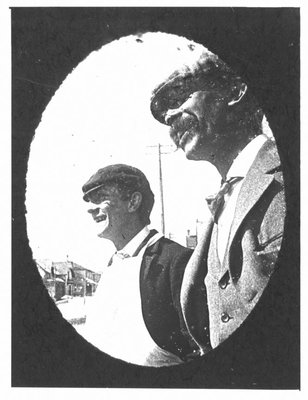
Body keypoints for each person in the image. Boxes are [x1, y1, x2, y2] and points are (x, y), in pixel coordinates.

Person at [150, 48, 286, 354]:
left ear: (235, 91)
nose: (171, 117)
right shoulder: (219, 206)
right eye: (166, 113)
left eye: (180, 99)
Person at [81, 164, 205, 367]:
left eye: (101, 198)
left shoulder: (175, 260)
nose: (90, 209)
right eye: (90, 202)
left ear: (133, 202)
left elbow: (198, 349)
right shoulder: (113, 265)